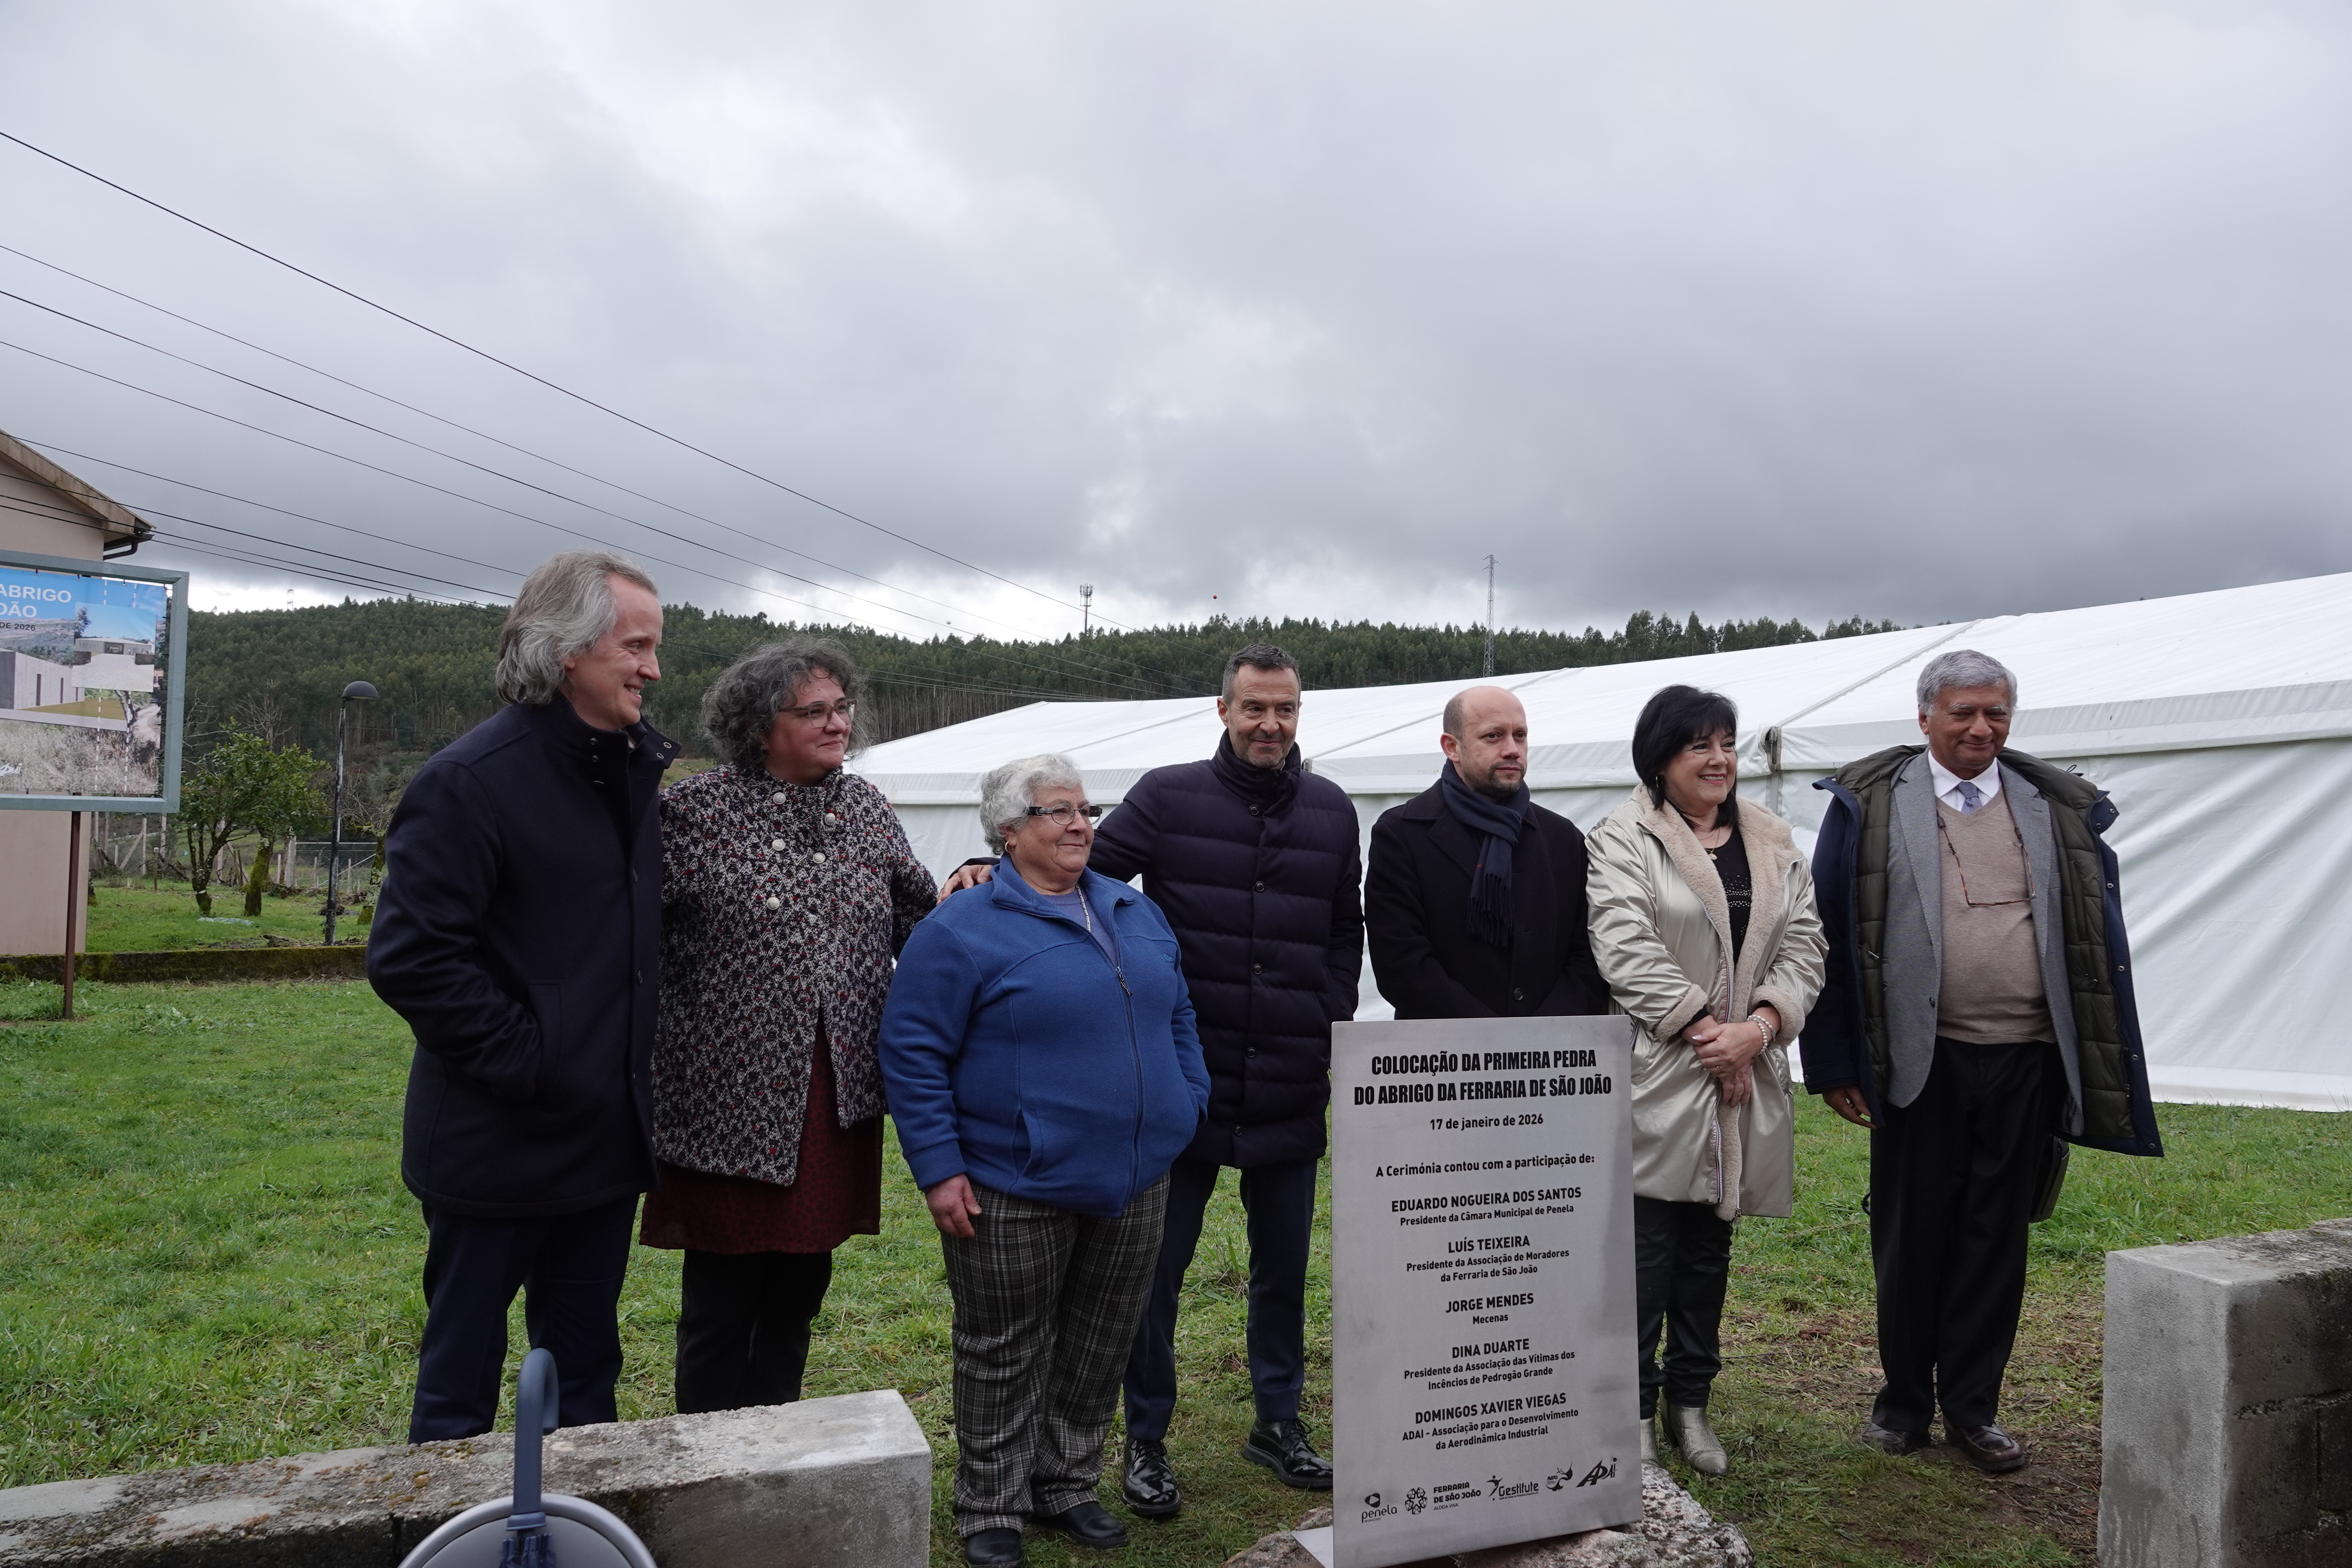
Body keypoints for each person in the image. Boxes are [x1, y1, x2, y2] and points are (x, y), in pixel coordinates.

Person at [938, 643, 1363, 1516]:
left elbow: (1339, 929)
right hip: (1182, 1084)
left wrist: (1329, 1013)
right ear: (1223, 711)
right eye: (1254, 709)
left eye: (1284, 710)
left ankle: (1278, 1422)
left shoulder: (1331, 809)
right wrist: (985, 874)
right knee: (1153, 1276)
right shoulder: (1169, 798)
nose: (1270, 725)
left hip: (1288, 1073)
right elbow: (1075, 873)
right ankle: (1148, 1437)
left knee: (1284, 1271)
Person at [1804, 649, 2161, 1473]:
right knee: (1910, 1234)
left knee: (1995, 1237)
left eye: (1995, 712)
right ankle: (1901, 1404)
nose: (1980, 728)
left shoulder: (2052, 803)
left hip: (2028, 1058)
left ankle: (1974, 1407)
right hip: (1917, 1060)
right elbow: (1823, 930)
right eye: (1962, 712)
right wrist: (1830, 1061)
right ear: (1924, 716)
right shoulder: (1870, 805)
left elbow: (2088, 933)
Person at [370, 549, 676, 1440]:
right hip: (494, 1145)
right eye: (637, 646)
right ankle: (447, 1538)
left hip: (603, 1146)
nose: (653, 670)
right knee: (459, 1382)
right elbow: (413, 958)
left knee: (585, 1376)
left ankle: (578, 1537)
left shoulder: (630, 778)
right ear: (568, 650)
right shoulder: (469, 782)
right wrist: (537, 1063)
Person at [882, 754, 1209, 1568]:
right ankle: (990, 1502)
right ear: (1008, 831)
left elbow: (1179, 1010)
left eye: (1083, 808)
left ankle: (1063, 1484)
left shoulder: (1134, 908)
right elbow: (912, 1050)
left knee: (1100, 1337)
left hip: (1134, 1174)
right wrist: (938, 1165)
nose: (1077, 824)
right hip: (1010, 1180)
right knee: (1003, 1345)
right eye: (1054, 811)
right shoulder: (960, 927)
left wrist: (1186, 1097)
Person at [640, 638, 937, 1413]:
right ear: (757, 725)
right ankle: (703, 1458)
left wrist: (981, 877)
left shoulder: (866, 807)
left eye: (841, 707)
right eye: (814, 711)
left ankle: (779, 1445)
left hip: (830, 1096)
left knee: (800, 1288)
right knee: (719, 1303)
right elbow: (625, 940)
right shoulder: (691, 812)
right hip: (723, 1101)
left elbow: (922, 920)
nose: (837, 722)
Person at [1584, 684, 1825, 1477]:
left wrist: (1757, 1028)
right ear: (1660, 756)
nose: (1719, 758)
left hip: (1740, 1072)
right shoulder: (1624, 836)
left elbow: (1804, 946)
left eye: (1726, 742)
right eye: (1699, 744)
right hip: (1660, 1072)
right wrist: (1702, 1028)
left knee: (1707, 1253)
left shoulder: (1770, 838)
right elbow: (1622, 943)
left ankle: (1691, 1404)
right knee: (1644, 1255)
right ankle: (1632, 1414)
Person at [1365, 683, 1607, 1019]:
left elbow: (1589, 955)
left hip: (1551, 1057)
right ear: (1453, 747)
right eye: (1493, 737)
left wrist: (1544, 1035)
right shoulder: (1403, 834)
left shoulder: (1563, 839)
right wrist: (1491, 1045)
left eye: (1520, 736)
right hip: (1445, 1059)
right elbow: (1401, 964)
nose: (1512, 750)